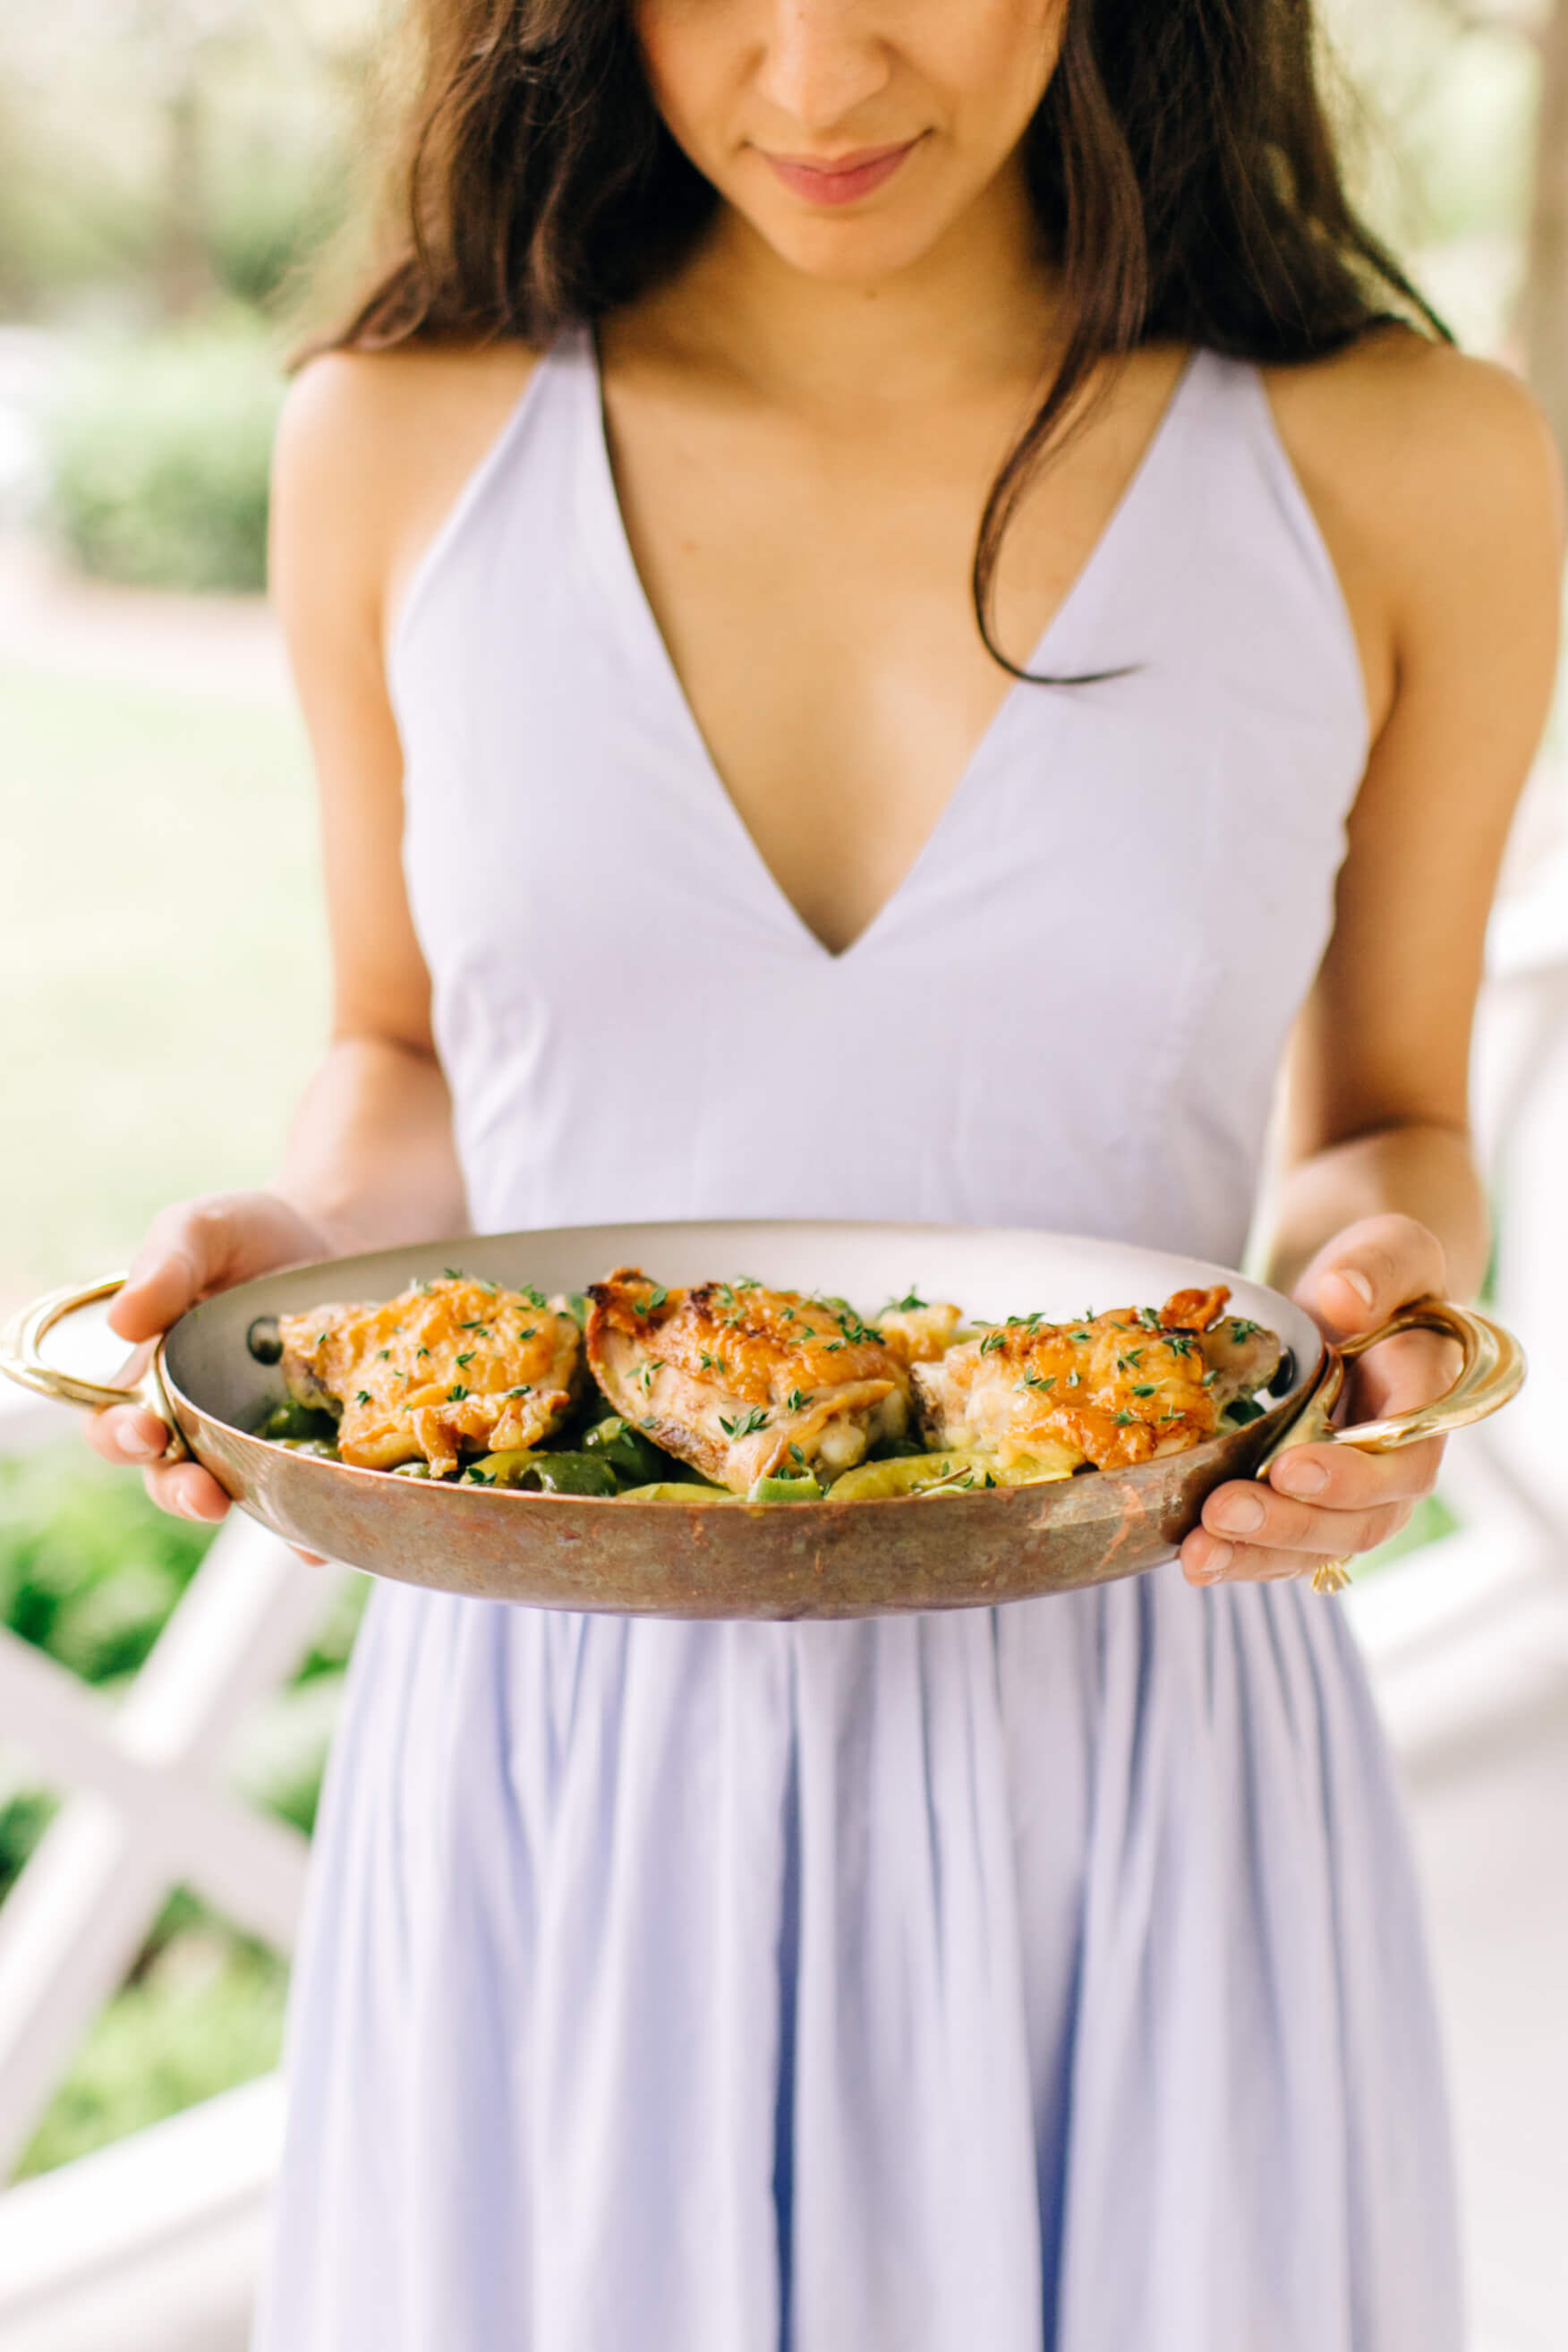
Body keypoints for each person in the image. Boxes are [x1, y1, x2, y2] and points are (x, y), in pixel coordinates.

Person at [89, 1, 1561, 2345]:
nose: (810, 75)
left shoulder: (1408, 462)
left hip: (1132, 1738)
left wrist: (1373, 1302)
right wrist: (321, 1267)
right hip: (552, 1761)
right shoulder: (393, 441)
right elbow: (404, 1055)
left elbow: (1389, 1109)